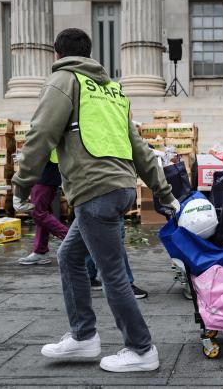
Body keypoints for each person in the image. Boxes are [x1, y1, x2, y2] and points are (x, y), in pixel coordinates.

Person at [11, 28, 179, 373]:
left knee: (111, 273)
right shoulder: (110, 90)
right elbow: (140, 149)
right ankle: (83, 337)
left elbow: (41, 134)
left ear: (56, 55)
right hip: (119, 188)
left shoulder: (63, 81)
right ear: (89, 54)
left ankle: (141, 349)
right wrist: (165, 193)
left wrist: (21, 186)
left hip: (94, 190)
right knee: (70, 256)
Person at [18, 153, 69, 265]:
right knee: (43, 212)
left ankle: (71, 238)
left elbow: (37, 147)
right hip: (48, 173)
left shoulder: (45, 135)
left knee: (38, 213)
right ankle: (40, 251)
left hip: (44, 174)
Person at [86, 217, 148, 299]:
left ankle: (88, 277)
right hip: (106, 207)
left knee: (92, 238)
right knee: (115, 240)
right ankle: (125, 285)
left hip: (88, 208)